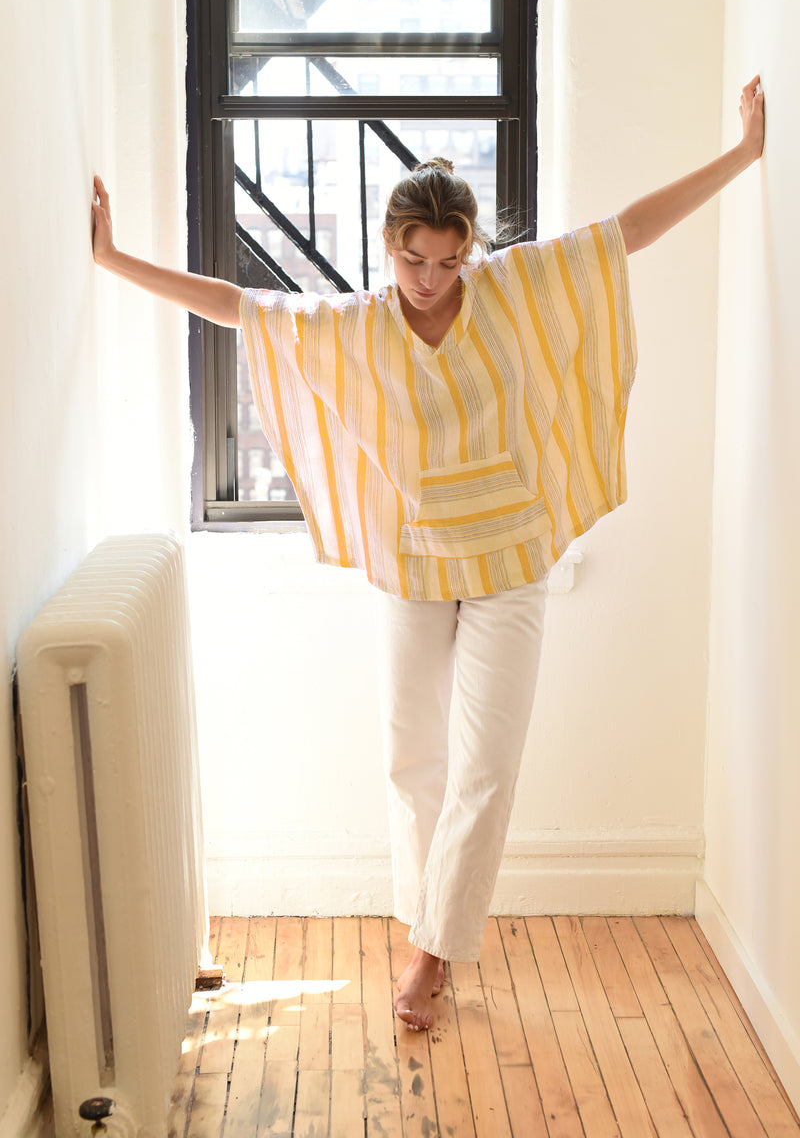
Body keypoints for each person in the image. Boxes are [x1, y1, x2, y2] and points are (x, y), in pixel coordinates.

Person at [92, 75, 765, 1032]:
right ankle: (430, 929)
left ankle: (431, 955)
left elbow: (626, 233)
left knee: (487, 764)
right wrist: (113, 258)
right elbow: (238, 304)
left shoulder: (512, 289)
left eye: (448, 262)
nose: (429, 279)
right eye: (413, 259)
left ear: (469, 251)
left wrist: (742, 154)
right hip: (412, 565)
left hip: (511, 561)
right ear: (389, 245)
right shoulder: (360, 324)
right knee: (411, 759)